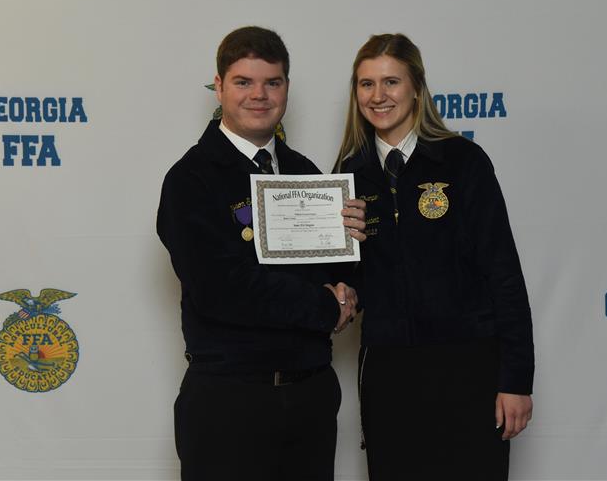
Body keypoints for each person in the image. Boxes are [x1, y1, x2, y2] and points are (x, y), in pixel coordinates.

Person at [157, 26, 366, 481]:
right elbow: (221, 290)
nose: (259, 95)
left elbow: (332, 271)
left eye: (272, 82)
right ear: (219, 86)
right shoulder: (190, 180)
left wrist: (349, 279)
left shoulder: (306, 173)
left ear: (287, 87)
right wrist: (323, 306)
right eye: (244, 82)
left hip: (310, 396)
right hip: (230, 401)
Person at [334, 33, 534, 480]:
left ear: (417, 88)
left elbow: (503, 273)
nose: (378, 96)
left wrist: (516, 380)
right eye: (366, 84)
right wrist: (343, 278)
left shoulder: (463, 161)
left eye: (391, 82)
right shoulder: (349, 173)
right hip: (389, 376)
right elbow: (350, 281)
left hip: (468, 369)